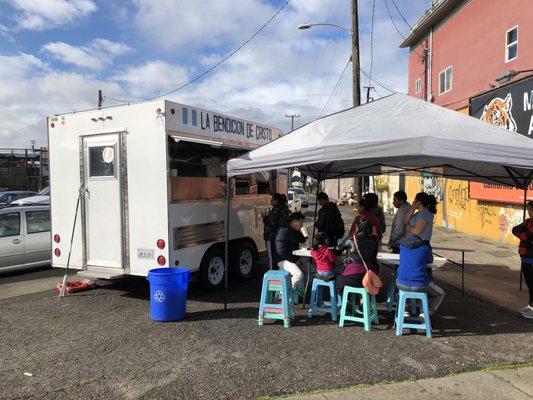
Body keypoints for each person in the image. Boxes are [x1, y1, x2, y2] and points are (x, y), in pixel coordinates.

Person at [396, 192, 444, 318]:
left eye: (415, 200)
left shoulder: (425, 214)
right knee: (420, 278)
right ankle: (423, 312)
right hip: (414, 247)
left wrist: (408, 228)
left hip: (417, 245)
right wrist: (412, 208)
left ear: (419, 201)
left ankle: (414, 307)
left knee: (417, 273)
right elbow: (405, 220)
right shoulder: (418, 213)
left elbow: (416, 230)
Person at [336, 209, 380, 296]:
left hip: (354, 277)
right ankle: (363, 301)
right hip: (371, 277)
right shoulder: (375, 240)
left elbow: (338, 249)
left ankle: (345, 303)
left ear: (358, 227)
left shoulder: (352, 239)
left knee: (338, 281)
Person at [275, 212, 307, 297]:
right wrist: (294, 261)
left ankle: (300, 294)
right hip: (282, 260)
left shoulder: (295, 230)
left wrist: (304, 231)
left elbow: (303, 240)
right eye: (301, 222)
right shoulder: (283, 231)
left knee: (307, 270)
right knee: (298, 274)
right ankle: (283, 293)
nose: (302, 225)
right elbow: (281, 252)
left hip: (292, 258)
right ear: (294, 222)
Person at [511, 200, 533, 319]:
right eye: (528, 209)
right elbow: (515, 229)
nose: (529, 212)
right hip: (525, 257)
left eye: (531, 209)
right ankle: (530, 306)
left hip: (532, 258)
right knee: (530, 284)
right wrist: (524, 236)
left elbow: (529, 236)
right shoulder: (528, 222)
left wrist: (523, 236)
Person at [262, 193, 290, 269]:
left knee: (271, 257)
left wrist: (264, 217)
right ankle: (280, 272)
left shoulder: (276, 210)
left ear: (276, 201)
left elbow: (272, 222)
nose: (271, 201)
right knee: (280, 256)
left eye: (272, 199)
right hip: (282, 236)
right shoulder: (285, 209)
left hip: (272, 236)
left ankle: (272, 273)